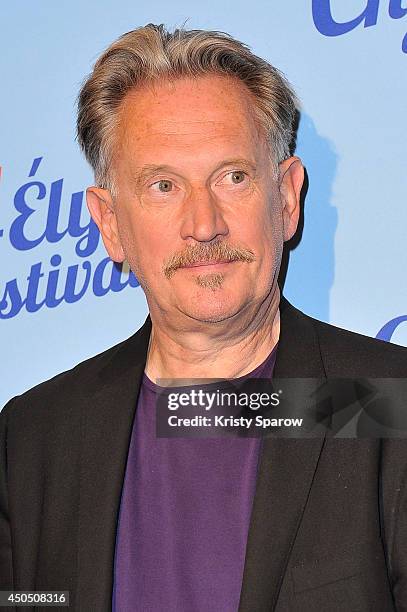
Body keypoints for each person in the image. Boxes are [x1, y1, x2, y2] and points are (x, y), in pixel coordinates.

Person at [1, 23, 406, 612]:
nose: (204, 223)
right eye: (164, 186)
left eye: (232, 177)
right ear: (110, 224)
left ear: (288, 198)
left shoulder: (384, 404)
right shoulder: (35, 439)